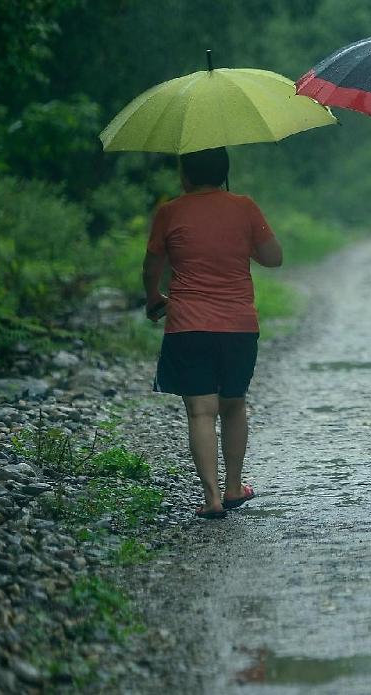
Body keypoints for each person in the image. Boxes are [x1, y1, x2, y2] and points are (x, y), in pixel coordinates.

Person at [143, 147, 283, 518]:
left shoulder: (169, 212)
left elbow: (152, 264)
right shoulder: (244, 206)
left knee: (200, 412)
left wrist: (152, 297)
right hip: (237, 325)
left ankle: (212, 499)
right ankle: (235, 486)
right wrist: (242, 240)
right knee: (233, 404)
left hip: (187, 326)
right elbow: (274, 257)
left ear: (184, 175)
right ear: (224, 172)